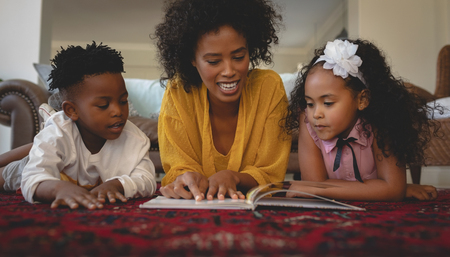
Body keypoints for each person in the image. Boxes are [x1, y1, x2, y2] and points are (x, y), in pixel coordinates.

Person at [154, 0, 291, 201]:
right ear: (192, 59)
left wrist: (234, 177)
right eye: (213, 61)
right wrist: (186, 178)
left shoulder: (268, 87)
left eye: (238, 56)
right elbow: (177, 168)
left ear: (250, 49)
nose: (229, 71)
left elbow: (271, 174)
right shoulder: (178, 91)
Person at [0, 42, 157, 208]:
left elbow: (147, 180)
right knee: (11, 173)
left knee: (44, 145)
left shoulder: (135, 139)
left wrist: (118, 185)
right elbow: (33, 177)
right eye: (103, 105)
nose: (118, 111)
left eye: (123, 101)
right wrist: (58, 188)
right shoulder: (59, 132)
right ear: (72, 110)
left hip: (59, 150)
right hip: (28, 168)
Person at [284, 39, 439, 201]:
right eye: (310, 103)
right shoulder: (308, 122)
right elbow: (313, 184)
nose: (316, 114)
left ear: (362, 99)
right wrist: (383, 189)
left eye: (328, 103)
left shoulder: (381, 120)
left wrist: (393, 189)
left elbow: (316, 189)